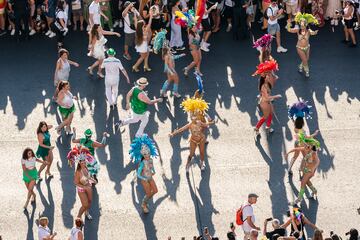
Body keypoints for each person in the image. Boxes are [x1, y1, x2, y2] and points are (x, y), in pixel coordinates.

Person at [169, 97, 214, 171]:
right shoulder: (190, 125)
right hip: (193, 140)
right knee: (191, 154)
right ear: (190, 117)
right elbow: (181, 129)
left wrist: (212, 122)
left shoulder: (200, 122)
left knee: (202, 153)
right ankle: (187, 165)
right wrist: (173, 133)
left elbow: (206, 125)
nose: (194, 118)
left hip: (202, 139)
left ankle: (202, 163)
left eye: (195, 116)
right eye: (192, 116)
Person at [287, 100, 319, 176]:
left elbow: (293, 120)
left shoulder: (296, 128)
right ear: (302, 123)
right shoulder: (302, 131)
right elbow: (305, 138)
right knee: (306, 157)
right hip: (302, 144)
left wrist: (293, 115)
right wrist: (314, 135)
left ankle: (289, 168)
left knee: (295, 156)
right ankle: (301, 170)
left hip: (297, 143)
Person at [129, 134, 159, 213]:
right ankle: (143, 204)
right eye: (145, 154)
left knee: (155, 191)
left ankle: (146, 200)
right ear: (142, 154)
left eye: (148, 153)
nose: (148, 155)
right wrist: (144, 178)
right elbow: (138, 174)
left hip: (150, 177)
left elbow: (152, 167)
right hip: (144, 180)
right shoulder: (142, 163)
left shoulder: (150, 160)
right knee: (148, 193)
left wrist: (153, 171)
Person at [285, 139, 320, 204]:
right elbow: (297, 149)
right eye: (305, 145)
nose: (305, 146)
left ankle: (299, 199)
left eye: (307, 145)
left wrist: (311, 169)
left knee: (303, 183)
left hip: (309, 171)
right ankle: (314, 190)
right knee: (306, 182)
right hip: (306, 169)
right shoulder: (306, 148)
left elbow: (316, 162)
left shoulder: (313, 153)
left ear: (311, 146)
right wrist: (288, 153)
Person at [253, 60, 281, 136]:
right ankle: (256, 128)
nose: (269, 77)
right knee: (265, 116)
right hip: (264, 103)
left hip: (267, 102)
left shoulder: (267, 83)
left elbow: (274, 80)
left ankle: (268, 127)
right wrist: (276, 96)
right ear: (265, 78)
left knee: (271, 114)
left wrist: (271, 71)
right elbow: (267, 98)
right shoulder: (263, 87)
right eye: (268, 76)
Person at [287, 13, 318, 77]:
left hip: (307, 47)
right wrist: (288, 23)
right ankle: (307, 71)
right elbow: (289, 30)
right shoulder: (297, 30)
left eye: (303, 25)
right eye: (301, 25)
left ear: (306, 25)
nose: (302, 26)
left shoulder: (308, 31)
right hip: (299, 48)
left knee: (306, 59)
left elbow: (312, 33)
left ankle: (301, 66)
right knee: (305, 60)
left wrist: (315, 32)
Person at [73, 150, 95, 220]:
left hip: (88, 187)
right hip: (81, 189)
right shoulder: (78, 172)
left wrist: (93, 180)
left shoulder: (86, 168)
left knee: (89, 201)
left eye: (84, 161)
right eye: (82, 162)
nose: (83, 163)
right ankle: (78, 217)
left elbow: (88, 177)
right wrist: (84, 187)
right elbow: (76, 183)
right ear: (79, 163)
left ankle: (87, 212)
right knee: (85, 205)